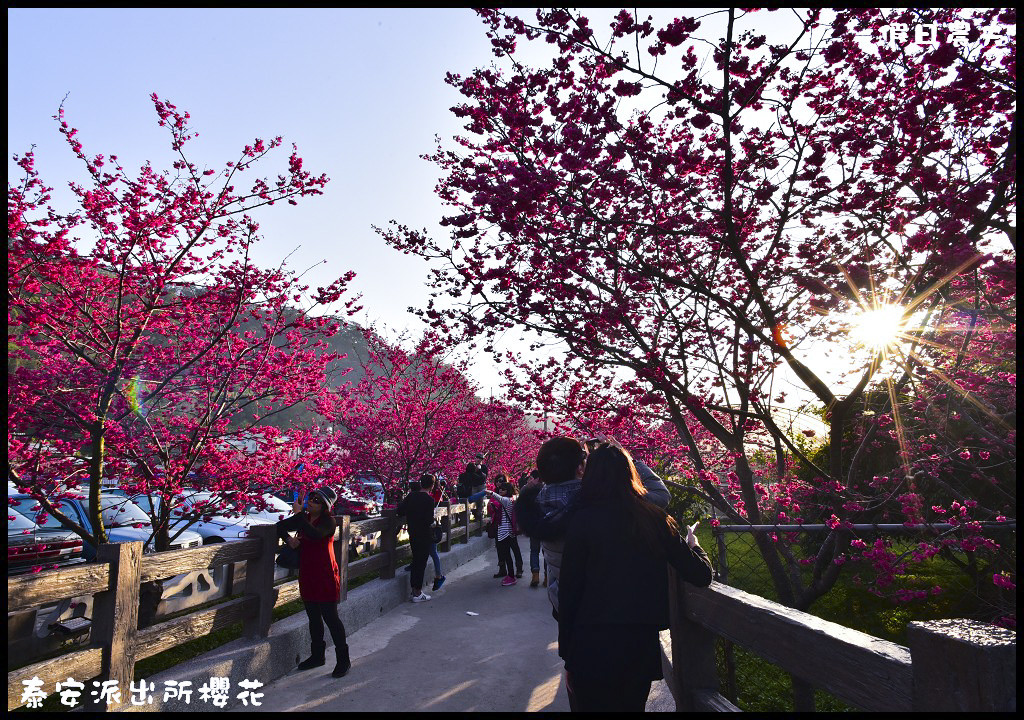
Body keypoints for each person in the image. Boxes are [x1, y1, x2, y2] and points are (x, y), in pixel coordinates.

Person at [558, 443, 713, 712]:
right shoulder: (655, 519)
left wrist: (568, 657)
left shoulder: (581, 521)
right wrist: (695, 546)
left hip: (589, 646)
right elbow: (701, 575)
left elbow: (569, 593)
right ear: (631, 474)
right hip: (636, 647)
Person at [516, 436, 672, 617]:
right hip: (608, 607)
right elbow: (660, 496)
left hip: (566, 604)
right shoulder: (602, 501)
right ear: (581, 468)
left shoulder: (536, 506)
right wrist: (629, 460)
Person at [276, 486, 351, 678]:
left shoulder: (328, 521)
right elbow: (280, 527)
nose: (311, 501)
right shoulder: (305, 518)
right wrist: (289, 540)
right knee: (313, 617)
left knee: (330, 617)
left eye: (316, 500)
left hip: (325, 573)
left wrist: (299, 514)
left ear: (325, 506)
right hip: (308, 573)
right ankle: (317, 656)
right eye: (311, 497)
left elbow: (316, 534)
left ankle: (344, 660)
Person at [396, 473, 439, 602]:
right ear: (431, 486)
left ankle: (414, 590)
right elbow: (428, 520)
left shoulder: (411, 496)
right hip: (424, 534)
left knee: (416, 560)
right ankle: (417, 592)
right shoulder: (429, 500)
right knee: (421, 563)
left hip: (413, 533)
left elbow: (400, 510)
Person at [483, 480, 522, 585]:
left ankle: (511, 576)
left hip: (505, 532)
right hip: (508, 531)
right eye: (500, 488)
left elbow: (498, 498)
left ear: (508, 490)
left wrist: (490, 492)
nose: (500, 490)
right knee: (508, 554)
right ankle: (511, 575)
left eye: (503, 489)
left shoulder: (506, 500)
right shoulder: (511, 499)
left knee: (507, 555)